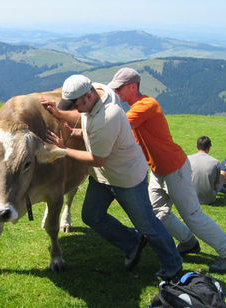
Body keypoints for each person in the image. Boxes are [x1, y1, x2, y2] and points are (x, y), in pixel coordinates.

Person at [41, 74, 183, 280]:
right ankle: (132, 243)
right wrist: (59, 113)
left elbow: (97, 158)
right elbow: (84, 118)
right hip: (103, 177)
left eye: (75, 105)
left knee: (147, 224)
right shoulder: (99, 91)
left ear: (88, 97)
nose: (75, 109)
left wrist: (62, 150)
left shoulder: (108, 116)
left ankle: (173, 264)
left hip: (126, 179)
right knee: (92, 215)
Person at [108, 67, 226, 274]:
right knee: (157, 212)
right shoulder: (136, 107)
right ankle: (188, 241)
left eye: (119, 89)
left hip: (174, 168)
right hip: (158, 170)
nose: (116, 93)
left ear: (133, 86)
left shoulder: (146, 105)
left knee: (193, 216)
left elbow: (115, 126)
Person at [188, 136, 226, 204]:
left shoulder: (188, 159)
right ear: (209, 148)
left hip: (190, 196)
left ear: (196, 146)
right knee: (223, 173)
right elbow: (217, 185)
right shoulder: (215, 162)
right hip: (209, 199)